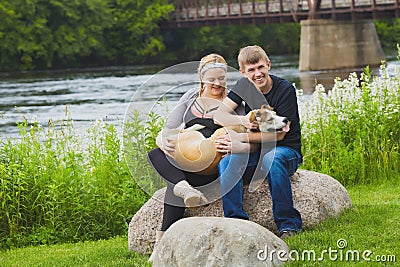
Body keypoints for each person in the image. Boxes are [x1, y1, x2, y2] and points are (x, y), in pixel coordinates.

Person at [147, 53, 252, 261]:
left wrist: (235, 144)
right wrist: (162, 140)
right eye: (211, 79)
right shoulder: (190, 97)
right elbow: (167, 129)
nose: (217, 83)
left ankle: (161, 245)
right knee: (155, 153)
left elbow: (250, 136)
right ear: (201, 77)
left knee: (172, 185)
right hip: (188, 160)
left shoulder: (235, 100)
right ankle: (184, 188)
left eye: (221, 78)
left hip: (214, 165)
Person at [213, 45, 303, 239]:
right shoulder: (243, 87)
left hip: (285, 152)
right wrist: (243, 121)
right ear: (243, 73)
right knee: (227, 162)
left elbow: (279, 135)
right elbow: (218, 115)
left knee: (272, 157)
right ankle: (237, 224)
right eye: (251, 70)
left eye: (260, 67)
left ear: (268, 65)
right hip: (257, 153)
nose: (257, 74)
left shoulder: (285, 89)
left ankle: (289, 225)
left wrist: (239, 138)